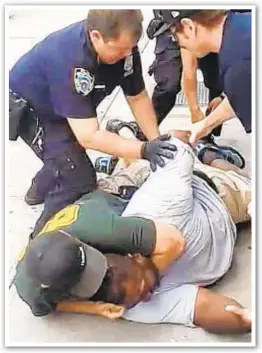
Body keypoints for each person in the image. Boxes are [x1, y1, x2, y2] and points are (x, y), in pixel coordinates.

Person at [14, 132, 251, 334]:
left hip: (203, 194)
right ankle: (122, 154)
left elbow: (175, 154)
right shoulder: (126, 301)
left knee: (237, 182)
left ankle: (207, 154)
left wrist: (149, 275)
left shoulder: (136, 220)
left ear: (133, 255)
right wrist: (95, 308)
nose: (146, 295)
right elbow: (202, 308)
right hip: (120, 206)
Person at [9, 10, 176, 236]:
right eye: (120, 49)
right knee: (77, 178)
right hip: (32, 108)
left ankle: (39, 189)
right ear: (96, 36)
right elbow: (89, 136)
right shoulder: (71, 61)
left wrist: (156, 139)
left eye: (131, 48)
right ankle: (40, 246)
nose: (128, 54)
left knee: (66, 156)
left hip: (63, 106)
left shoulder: (123, 46)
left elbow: (137, 96)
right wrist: (143, 150)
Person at [157, 10, 252, 143]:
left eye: (174, 37)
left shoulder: (238, 66)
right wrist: (206, 125)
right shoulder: (242, 22)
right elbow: (247, 92)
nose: (178, 45)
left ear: (189, 27)